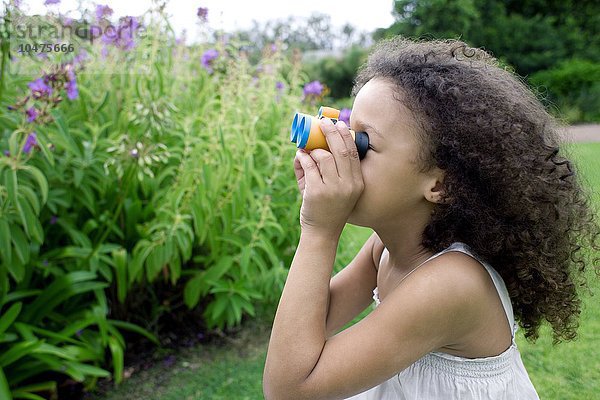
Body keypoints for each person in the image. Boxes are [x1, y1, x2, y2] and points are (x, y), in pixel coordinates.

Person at [262, 37, 600, 400]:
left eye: (363, 143)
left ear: (440, 184)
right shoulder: (384, 250)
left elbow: (289, 389)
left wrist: (319, 232)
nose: (342, 148)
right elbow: (307, 330)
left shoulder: (452, 283)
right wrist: (320, 215)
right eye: (347, 129)